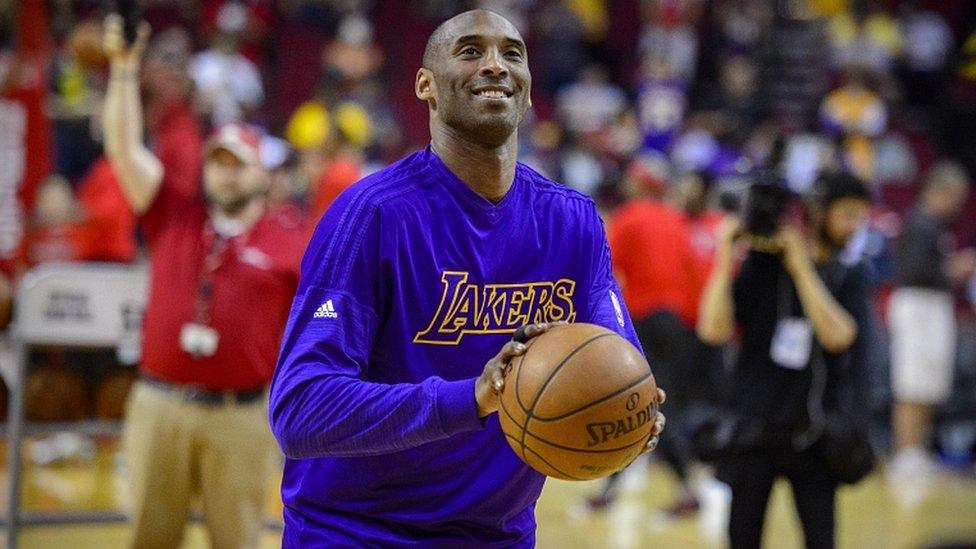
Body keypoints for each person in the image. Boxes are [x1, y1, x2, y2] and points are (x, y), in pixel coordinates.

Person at [269, 10, 666, 547]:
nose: (497, 66)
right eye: (471, 51)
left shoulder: (572, 221)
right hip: (354, 532)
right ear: (425, 86)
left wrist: (631, 412)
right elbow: (299, 409)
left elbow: (618, 361)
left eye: (513, 54)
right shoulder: (372, 216)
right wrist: (471, 397)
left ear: (528, 92)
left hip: (496, 536)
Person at [102, 15, 307, 548]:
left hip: (241, 414)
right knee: (147, 537)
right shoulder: (174, 213)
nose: (227, 173)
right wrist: (125, 72)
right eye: (217, 162)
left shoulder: (292, 238)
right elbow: (124, 150)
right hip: (158, 405)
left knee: (237, 540)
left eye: (238, 163)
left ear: (263, 173)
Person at [697, 172, 874, 549]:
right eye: (847, 214)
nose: (853, 226)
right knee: (742, 539)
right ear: (818, 211)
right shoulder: (762, 265)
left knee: (821, 540)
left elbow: (838, 335)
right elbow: (713, 330)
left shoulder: (850, 273)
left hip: (814, 433)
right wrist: (726, 254)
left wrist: (801, 266)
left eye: (860, 216)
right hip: (753, 428)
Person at [585, 156, 700, 516]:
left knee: (640, 404)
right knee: (656, 403)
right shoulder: (676, 219)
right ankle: (613, 487)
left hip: (644, 319)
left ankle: (686, 488)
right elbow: (692, 273)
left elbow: (602, 270)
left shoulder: (630, 217)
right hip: (677, 321)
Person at [887, 160, 973, 508]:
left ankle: (917, 450)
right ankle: (904, 453)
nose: (957, 205)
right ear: (938, 190)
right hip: (917, 305)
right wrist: (954, 268)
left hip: (933, 306)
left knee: (926, 383)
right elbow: (917, 271)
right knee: (910, 381)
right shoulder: (919, 223)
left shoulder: (935, 225)